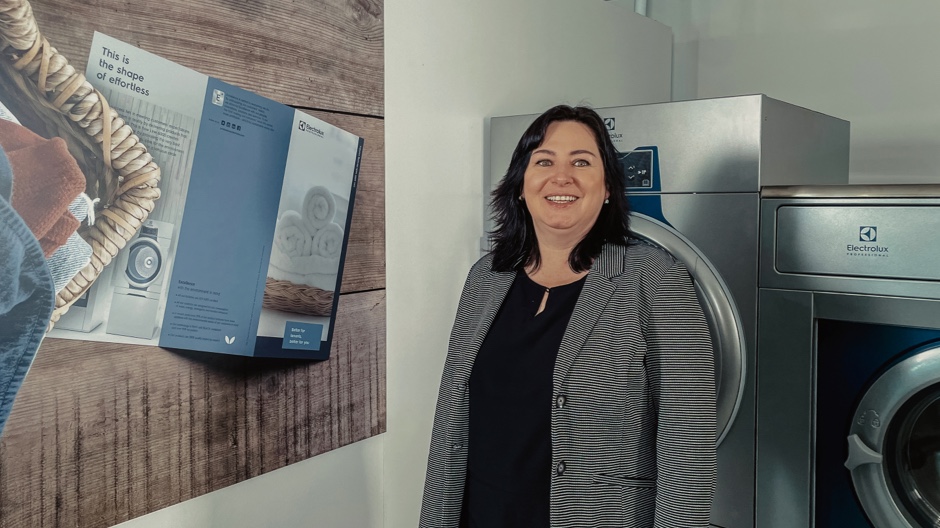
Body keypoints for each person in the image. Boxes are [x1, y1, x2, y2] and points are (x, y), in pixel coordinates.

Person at [419, 104, 717, 528]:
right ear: (521, 185)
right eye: (544, 161)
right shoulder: (485, 277)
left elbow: (689, 438)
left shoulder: (655, 279)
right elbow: (451, 417)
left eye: (581, 161)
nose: (562, 176)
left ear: (608, 186)